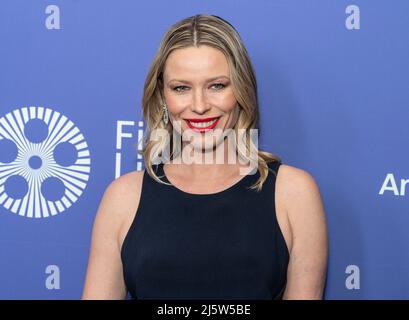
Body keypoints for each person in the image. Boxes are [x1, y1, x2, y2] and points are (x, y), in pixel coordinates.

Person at [82, 14, 328, 300]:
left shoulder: (293, 193)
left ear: (241, 90)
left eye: (217, 86)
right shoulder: (123, 198)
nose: (199, 106)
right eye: (181, 88)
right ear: (163, 97)